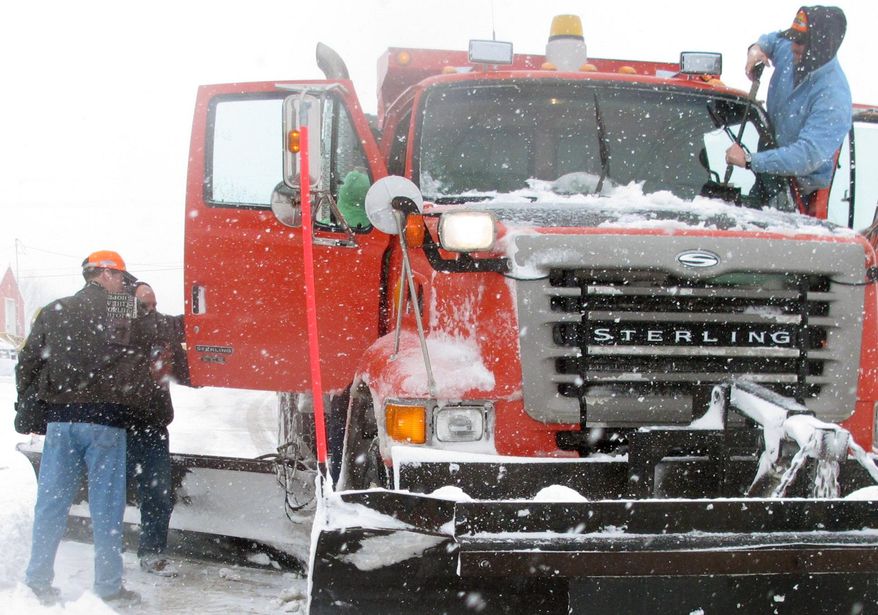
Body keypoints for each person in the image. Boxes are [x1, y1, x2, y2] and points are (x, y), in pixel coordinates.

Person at [17, 251, 149, 607]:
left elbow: (27, 362)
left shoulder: (55, 309)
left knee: (51, 504)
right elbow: (147, 341)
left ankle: (37, 580)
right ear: (104, 274)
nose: (123, 283)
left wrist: (29, 405)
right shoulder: (122, 310)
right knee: (107, 508)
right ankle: (108, 586)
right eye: (120, 276)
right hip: (105, 423)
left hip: (61, 423)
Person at [725, 6, 851, 204]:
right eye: (793, 37)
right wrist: (757, 49)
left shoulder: (833, 97)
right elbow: (774, 40)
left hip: (801, 190)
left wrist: (750, 160)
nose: (792, 46)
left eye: (800, 41)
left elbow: (806, 156)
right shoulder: (791, 51)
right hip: (770, 166)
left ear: (821, 46)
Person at [127, 281, 188, 577]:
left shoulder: (163, 334)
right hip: (118, 427)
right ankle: (108, 556)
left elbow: (187, 369)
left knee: (158, 495)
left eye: (154, 305)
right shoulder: (120, 333)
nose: (151, 312)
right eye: (144, 306)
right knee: (112, 494)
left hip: (153, 427)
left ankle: (152, 554)